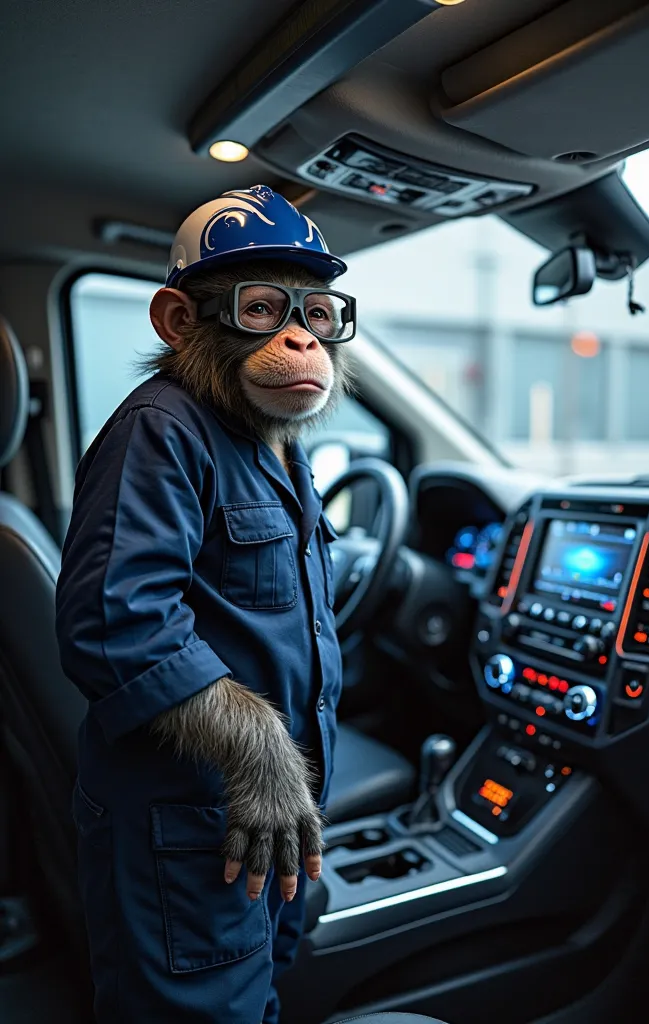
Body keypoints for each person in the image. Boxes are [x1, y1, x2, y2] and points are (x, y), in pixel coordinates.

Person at [56, 184, 356, 1023]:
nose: (302, 337)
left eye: (319, 314)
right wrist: (260, 749)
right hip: (185, 828)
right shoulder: (163, 428)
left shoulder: (270, 441)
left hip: (262, 824)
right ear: (180, 323)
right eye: (263, 309)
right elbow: (115, 625)